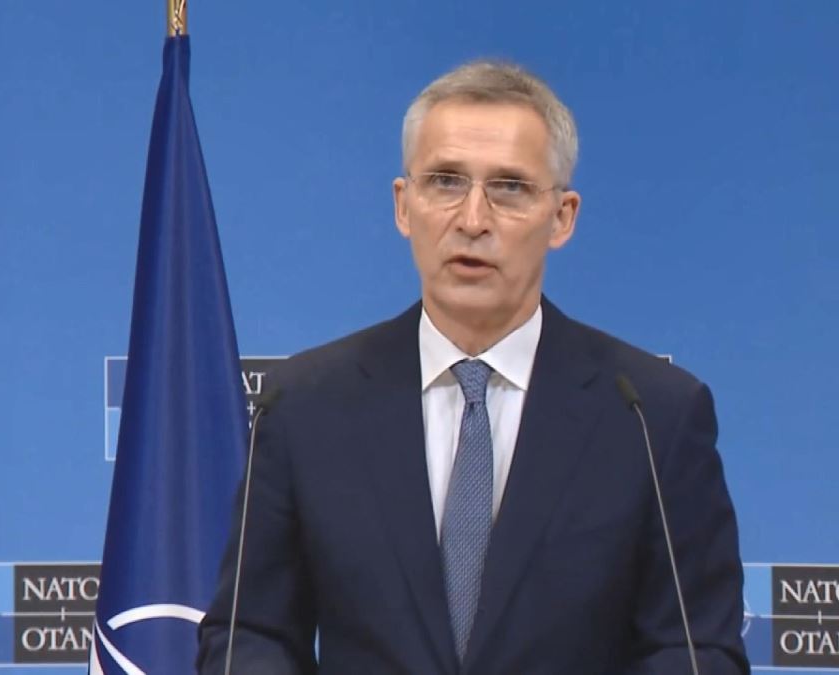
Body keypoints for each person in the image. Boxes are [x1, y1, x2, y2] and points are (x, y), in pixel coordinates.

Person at [197, 60, 748, 674]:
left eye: (509, 187)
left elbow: (696, 650)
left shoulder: (651, 416)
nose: (473, 220)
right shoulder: (305, 405)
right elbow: (250, 635)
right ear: (404, 206)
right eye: (445, 182)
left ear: (562, 217)